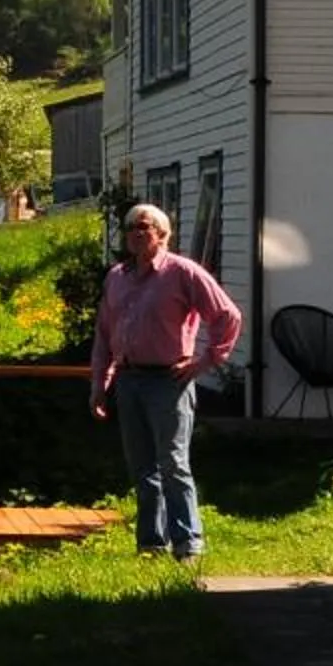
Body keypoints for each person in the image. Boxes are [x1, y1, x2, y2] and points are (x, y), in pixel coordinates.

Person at [88, 201, 242, 560]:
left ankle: (188, 544)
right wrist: (100, 382)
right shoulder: (116, 277)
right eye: (131, 228)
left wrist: (205, 361)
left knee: (173, 463)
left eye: (144, 227)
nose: (137, 234)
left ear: (162, 234)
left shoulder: (182, 272)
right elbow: (104, 334)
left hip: (167, 381)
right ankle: (150, 545)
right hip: (129, 380)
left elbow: (227, 316)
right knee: (142, 467)